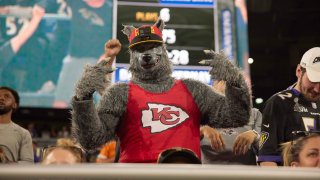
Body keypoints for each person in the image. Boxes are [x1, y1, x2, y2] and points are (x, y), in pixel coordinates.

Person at [258, 47, 320, 166]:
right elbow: (267, 159)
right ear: (298, 71)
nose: (317, 88)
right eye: (313, 80)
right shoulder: (278, 103)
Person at [53, 0, 113, 108]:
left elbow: (117, 40)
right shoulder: (75, 3)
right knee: (60, 104)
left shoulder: (111, 10)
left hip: (100, 62)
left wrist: (106, 56)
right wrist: (40, 6)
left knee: (105, 105)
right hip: (75, 59)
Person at [200, 80, 262, 165]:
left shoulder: (254, 114)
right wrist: (201, 131)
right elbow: (182, 145)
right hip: (209, 175)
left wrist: (255, 136)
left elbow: (268, 151)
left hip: (245, 175)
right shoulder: (200, 115)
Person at [0, 86, 34, 163]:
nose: (1, 98)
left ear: (14, 105)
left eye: (6, 96)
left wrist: (5, 162)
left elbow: (28, 163)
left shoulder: (23, 133)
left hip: (8, 175)